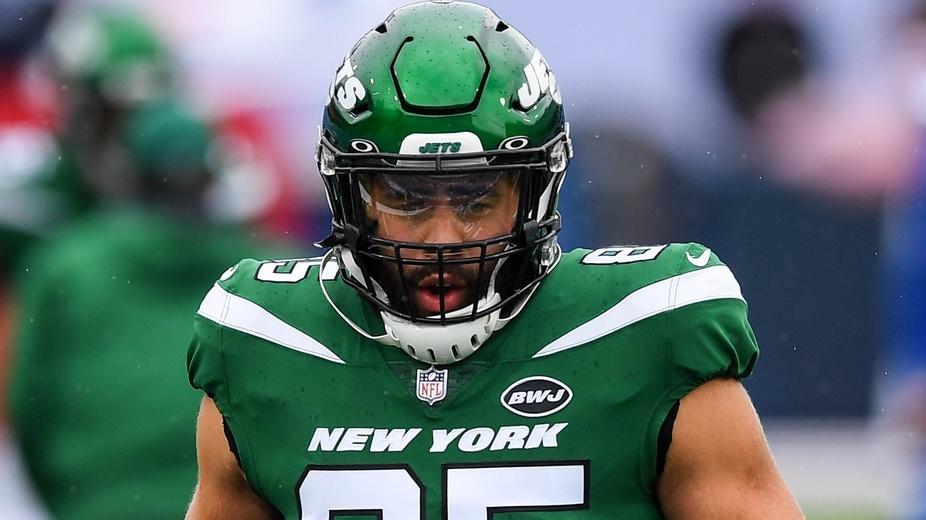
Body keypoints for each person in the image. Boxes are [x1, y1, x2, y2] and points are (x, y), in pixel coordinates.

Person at [186, 2, 804, 518]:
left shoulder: (650, 329)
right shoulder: (262, 342)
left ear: (537, 192)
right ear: (351, 196)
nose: (443, 237)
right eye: (403, 197)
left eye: (478, 197)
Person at [8, 100, 278, 519]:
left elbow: (28, 408)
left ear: (127, 173)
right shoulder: (271, 273)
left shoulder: (66, 265)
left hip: (101, 505)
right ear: (213, 178)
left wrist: (75, 502)